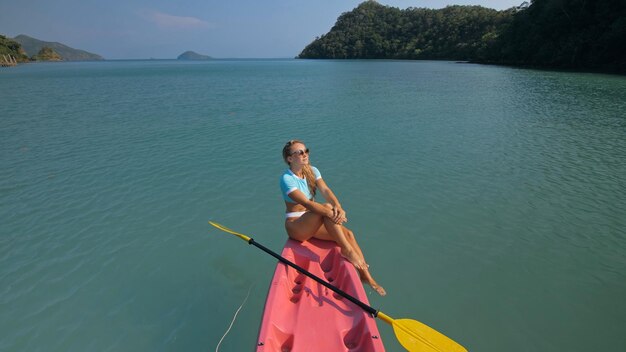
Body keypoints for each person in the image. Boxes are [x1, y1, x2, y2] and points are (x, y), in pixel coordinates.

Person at [280, 139, 386, 296]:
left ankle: (366, 276)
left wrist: (338, 207)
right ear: (290, 158)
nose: (305, 155)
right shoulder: (286, 179)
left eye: (306, 151)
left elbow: (326, 190)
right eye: (300, 152)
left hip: (314, 219)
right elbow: (306, 204)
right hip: (296, 226)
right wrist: (331, 212)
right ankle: (346, 250)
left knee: (349, 234)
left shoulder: (312, 171)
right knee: (326, 208)